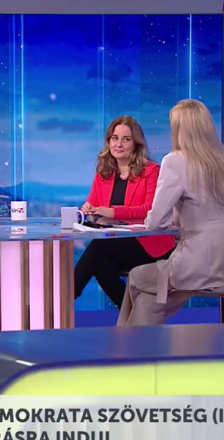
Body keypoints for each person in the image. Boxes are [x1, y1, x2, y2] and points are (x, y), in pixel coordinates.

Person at [116, 99, 224, 326]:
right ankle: (130, 344)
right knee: (148, 302)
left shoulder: (176, 161)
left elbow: (155, 223)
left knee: (136, 276)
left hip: (198, 263)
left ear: (180, 130)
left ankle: (125, 345)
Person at [74, 115, 176, 308]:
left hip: (149, 244)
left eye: (126, 139)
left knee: (99, 247)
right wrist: (87, 209)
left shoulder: (151, 170)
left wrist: (111, 212)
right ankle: (133, 313)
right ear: (108, 141)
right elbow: (92, 203)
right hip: (116, 245)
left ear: (136, 143)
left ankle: (68, 293)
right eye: (114, 138)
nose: (118, 144)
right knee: (103, 266)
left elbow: (149, 209)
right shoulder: (104, 172)